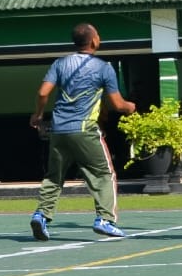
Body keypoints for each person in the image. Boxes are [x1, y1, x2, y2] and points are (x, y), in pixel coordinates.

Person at [28, 23, 137, 241]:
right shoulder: (104, 67)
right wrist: (130, 107)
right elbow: (117, 104)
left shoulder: (60, 63)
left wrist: (38, 115)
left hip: (58, 130)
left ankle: (41, 215)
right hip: (84, 129)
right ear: (94, 41)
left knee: (54, 177)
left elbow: (42, 93)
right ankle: (105, 219)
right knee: (104, 174)